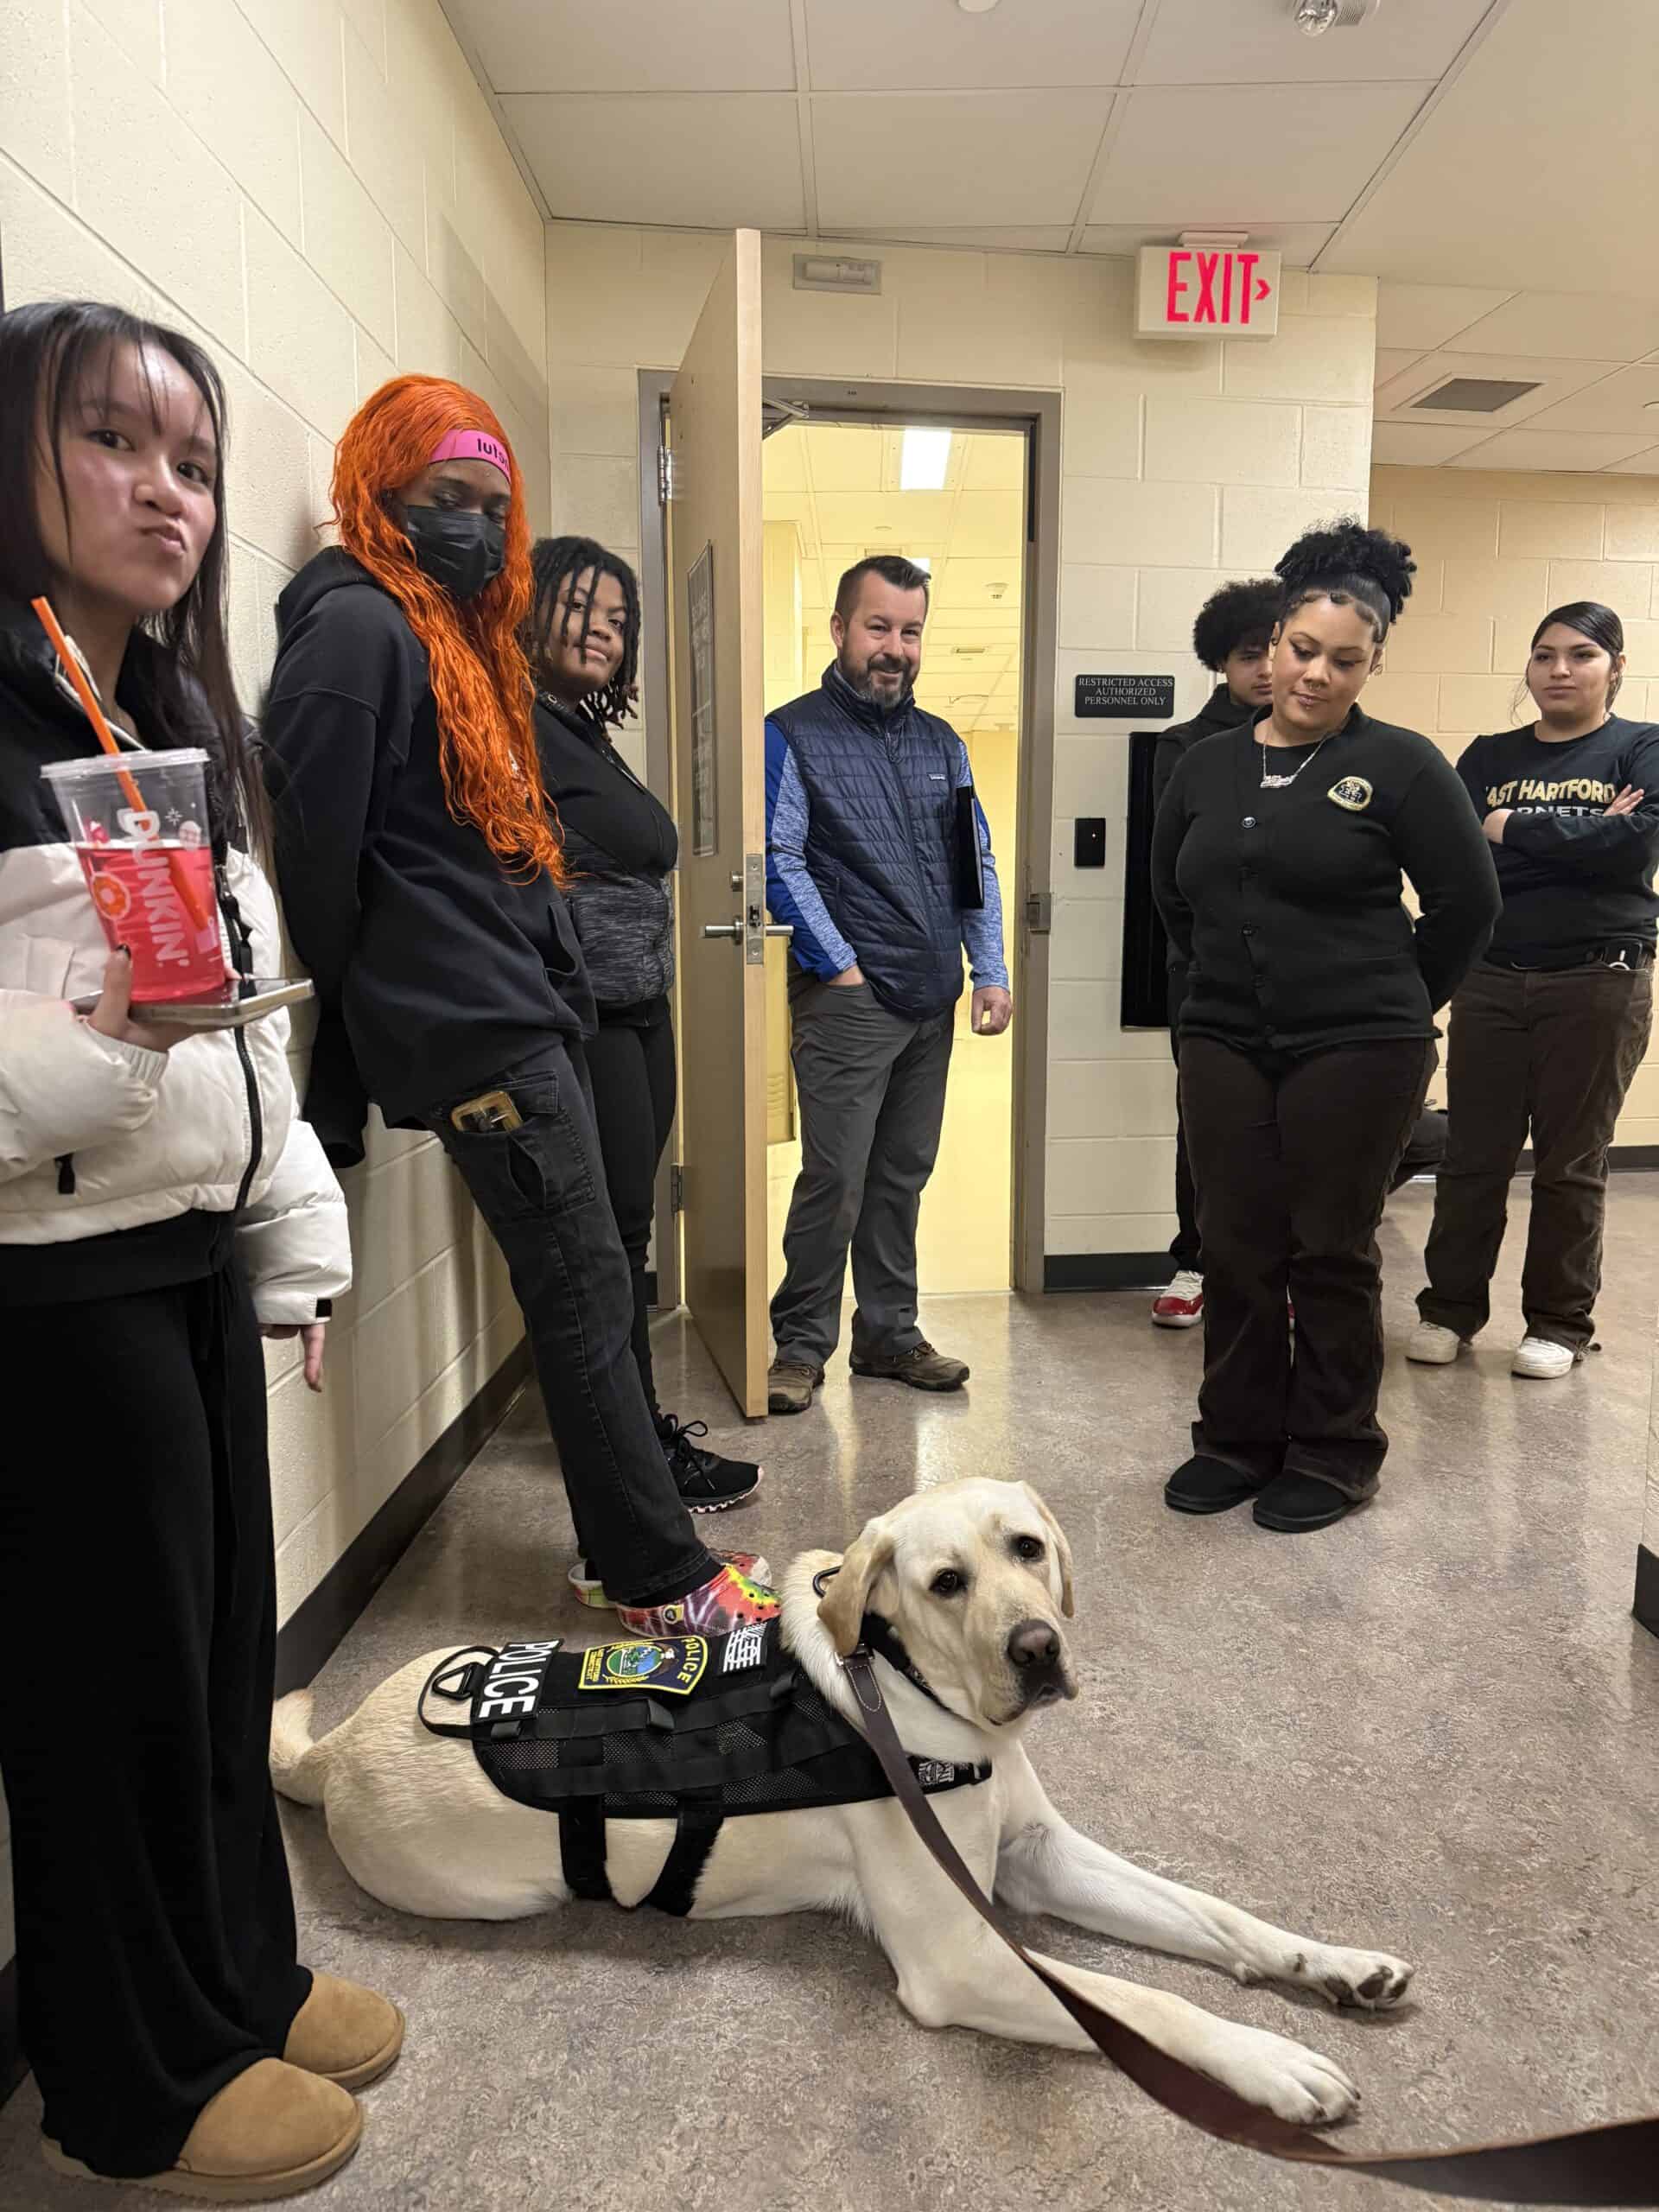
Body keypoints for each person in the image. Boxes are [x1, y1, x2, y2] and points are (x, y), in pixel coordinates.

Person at [0, 301, 385, 2198]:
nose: (168, 493)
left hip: (176, 1254)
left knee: (219, 1644)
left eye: (197, 460)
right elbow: (92, 1043)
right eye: (112, 442)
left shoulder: (168, 712)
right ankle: (131, 2074)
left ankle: (239, 1972)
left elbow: (231, 1022)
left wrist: (292, 1231)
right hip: (43, 1287)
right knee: (106, 1681)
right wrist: (94, 1049)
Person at [261, 376, 772, 1636]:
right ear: (378, 491)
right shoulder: (358, 633)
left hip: (513, 1005)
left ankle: (629, 1547)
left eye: (496, 505)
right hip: (466, 1023)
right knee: (586, 1285)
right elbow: (317, 869)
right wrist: (327, 1074)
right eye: (448, 499)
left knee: (590, 1279)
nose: (480, 529)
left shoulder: (441, 638)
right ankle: (649, 1574)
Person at [1152, 520, 1499, 1534]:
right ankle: (1236, 1437)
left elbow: (1468, 907)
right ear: (1272, 641)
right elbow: (1176, 900)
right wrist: (1205, 1002)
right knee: (1235, 1243)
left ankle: (1337, 1448)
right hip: (1223, 1038)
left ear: (1373, 663)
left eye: (1346, 661)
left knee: (1329, 1247)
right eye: (1301, 651)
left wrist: (1393, 1002)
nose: (1315, 675)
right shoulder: (1204, 766)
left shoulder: (1401, 764)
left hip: (1358, 1045)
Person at [524, 534, 761, 1522]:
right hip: (582, 1020)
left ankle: (636, 1433)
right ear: (527, 609)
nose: (605, 632)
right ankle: (638, 1455)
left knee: (627, 1237)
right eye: (583, 608)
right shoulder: (507, 727)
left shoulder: (576, 730)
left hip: (638, 1010)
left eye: (619, 621)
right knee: (609, 1246)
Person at [763, 555, 1010, 1416]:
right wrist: (841, 966)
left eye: (910, 631)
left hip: (933, 996)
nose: (894, 647)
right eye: (878, 627)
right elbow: (777, 861)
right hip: (849, 1002)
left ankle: (889, 1333)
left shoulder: (944, 742)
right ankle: (799, 1343)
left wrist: (991, 969)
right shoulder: (791, 733)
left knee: (903, 1171)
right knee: (836, 1176)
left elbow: (971, 862)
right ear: (839, 630)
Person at [1410, 603, 1659, 1379]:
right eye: (1544, 654)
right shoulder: (1488, 753)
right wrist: (1588, 842)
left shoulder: (1642, 748)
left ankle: (1558, 1323)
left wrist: (1510, 828)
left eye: (1581, 655)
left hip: (1598, 979)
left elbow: (1638, 846)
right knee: (1472, 1158)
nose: (1560, 669)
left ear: (1614, 666)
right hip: (1490, 978)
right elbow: (1450, 864)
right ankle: (1448, 1311)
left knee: (1570, 1163)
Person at [1148, 577, 1281, 1329]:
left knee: (1296, 1124)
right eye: (1246, 653)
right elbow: (1171, 876)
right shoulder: (1187, 749)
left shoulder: (1335, 747)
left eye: (1276, 648)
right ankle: (1195, 1261)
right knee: (1202, 1122)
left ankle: (1277, 1270)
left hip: (1301, 975)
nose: (1264, 667)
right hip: (1203, 973)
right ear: (1220, 662)